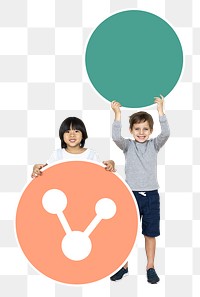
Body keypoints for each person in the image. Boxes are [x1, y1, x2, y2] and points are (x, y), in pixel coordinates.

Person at [110, 95, 170, 283]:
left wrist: (161, 112)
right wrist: (117, 114)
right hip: (131, 195)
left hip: (151, 196)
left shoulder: (155, 145)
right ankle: (124, 266)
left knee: (150, 233)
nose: (141, 132)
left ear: (151, 131)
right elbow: (115, 137)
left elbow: (166, 133)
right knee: (126, 232)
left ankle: (150, 266)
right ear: (131, 130)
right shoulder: (128, 146)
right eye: (137, 129)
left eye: (145, 129)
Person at [32, 116, 115, 178]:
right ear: (62, 135)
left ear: (83, 134)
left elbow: (101, 174)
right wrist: (37, 168)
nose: (72, 135)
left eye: (76, 131)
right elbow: (45, 172)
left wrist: (111, 163)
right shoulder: (57, 154)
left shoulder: (91, 154)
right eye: (67, 131)